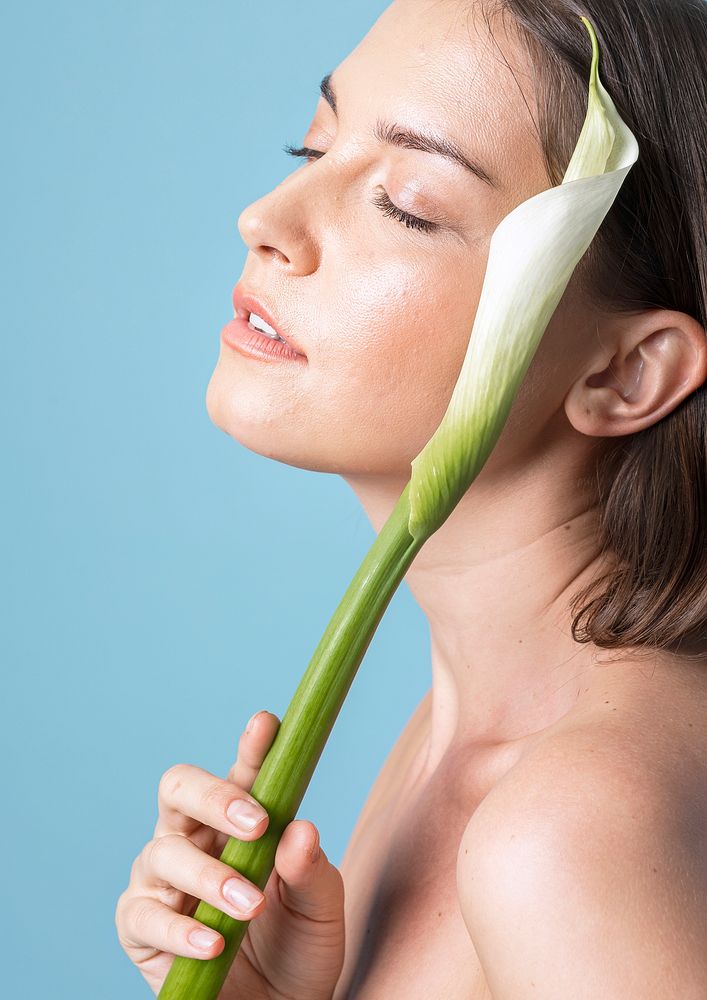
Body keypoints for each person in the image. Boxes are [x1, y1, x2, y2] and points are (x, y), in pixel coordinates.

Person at [115, 0, 707, 996]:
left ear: (626, 373)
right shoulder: (456, 730)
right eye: (310, 146)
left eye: (404, 202)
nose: (265, 219)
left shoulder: (565, 827)